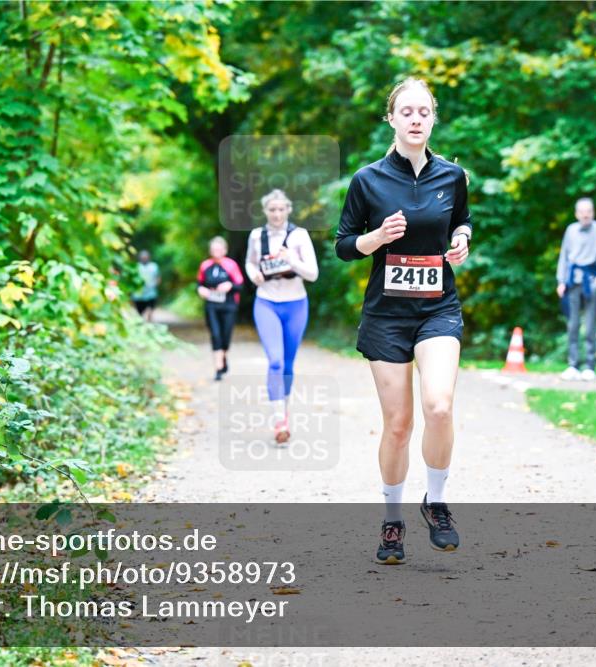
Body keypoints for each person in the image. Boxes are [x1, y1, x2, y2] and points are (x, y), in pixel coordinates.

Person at [336, 77, 472, 565]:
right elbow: (344, 244)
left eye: (424, 112)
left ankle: (436, 503)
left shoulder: (452, 176)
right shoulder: (367, 180)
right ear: (391, 119)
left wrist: (461, 237)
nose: (416, 119)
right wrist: (376, 238)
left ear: (433, 118)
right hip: (386, 315)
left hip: (437, 306)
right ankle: (392, 521)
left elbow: (461, 218)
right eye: (406, 112)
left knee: (438, 407)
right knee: (398, 424)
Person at [244, 189, 319, 443]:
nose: (276, 214)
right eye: (271, 210)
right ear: (265, 211)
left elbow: (313, 274)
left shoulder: (299, 236)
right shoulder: (257, 236)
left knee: (287, 364)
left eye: (281, 209)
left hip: (296, 304)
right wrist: (252, 273)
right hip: (266, 303)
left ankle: (283, 408)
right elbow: (250, 262)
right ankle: (279, 419)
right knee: (274, 361)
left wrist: (292, 261)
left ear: (288, 210)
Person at [555, 198, 596, 382]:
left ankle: (590, 366)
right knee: (572, 325)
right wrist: (561, 281)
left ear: (593, 212)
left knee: (590, 326)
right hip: (572, 282)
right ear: (577, 213)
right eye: (582, 211)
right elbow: (564, 256)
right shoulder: (571, 230)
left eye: (589, 211)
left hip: (592, 282)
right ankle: (573, 365)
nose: (586, 214)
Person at [197, 236, 244, 381]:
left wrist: (229, 286)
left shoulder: (231, 265)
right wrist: (201, 290)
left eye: (219, 249)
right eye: (214, 249)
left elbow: (240, 286)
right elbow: (199, 284)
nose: (216, 252)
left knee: (225, 335)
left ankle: (223, 358)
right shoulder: (205, 266)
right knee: (215, 334)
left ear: (225, 250)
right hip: (211, 305)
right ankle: (218, 367)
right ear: (210, 251)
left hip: (229, 305)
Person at [132, 249, 160, 322]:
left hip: (151, 292)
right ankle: (141, 322)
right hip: (138, 294)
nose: (144, 259)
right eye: (143, 257)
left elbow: (158, 277)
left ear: (148, 257)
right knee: (140, 311)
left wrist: (155, 285)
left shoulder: (154, 266)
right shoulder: (136, 267)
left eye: (146, 257)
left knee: (150, 308)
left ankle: (149, 320)